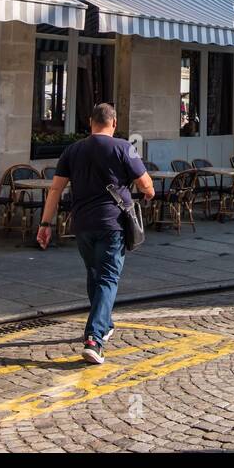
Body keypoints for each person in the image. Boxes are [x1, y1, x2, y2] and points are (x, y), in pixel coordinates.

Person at [37, 103, 153, 365]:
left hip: (82, 225)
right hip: (111, 224)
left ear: (90, 122)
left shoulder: (73, 150)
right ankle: (94, 338)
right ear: (114, 123)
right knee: (108, 278)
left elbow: (55, 190)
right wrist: (149, 193)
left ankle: (105, 322)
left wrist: (45, 224)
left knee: (94, 274)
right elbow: (146, 184)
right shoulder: (124, 147)